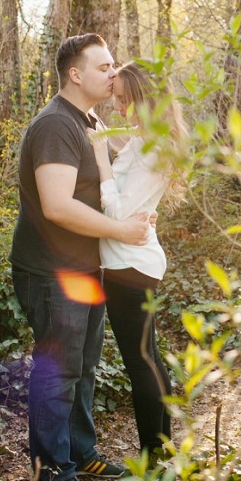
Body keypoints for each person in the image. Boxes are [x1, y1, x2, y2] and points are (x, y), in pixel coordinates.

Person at [10, 34, 152, 481]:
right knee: (58, 371)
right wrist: (118, 229)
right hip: (52, 270)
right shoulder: (55, 125)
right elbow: (56, 205)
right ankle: (50, 471)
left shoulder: (91, 121)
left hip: (87, 266)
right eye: (104, 66)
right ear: (76, 74)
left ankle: (80, 451)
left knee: (84, 367)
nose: (114, 73)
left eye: (114, 65)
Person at [87, 61, 186, 459]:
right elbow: (130, 181)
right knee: (150, 356)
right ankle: (162, 451)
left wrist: (98, 156)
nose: (120, 108)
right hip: (135, 261)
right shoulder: (148, 142)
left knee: (140, 363)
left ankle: (151, 459)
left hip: (128, 264)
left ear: (145, 99)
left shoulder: (151, 148)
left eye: (126, 100)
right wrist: (107, 144)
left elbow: (117, 212)